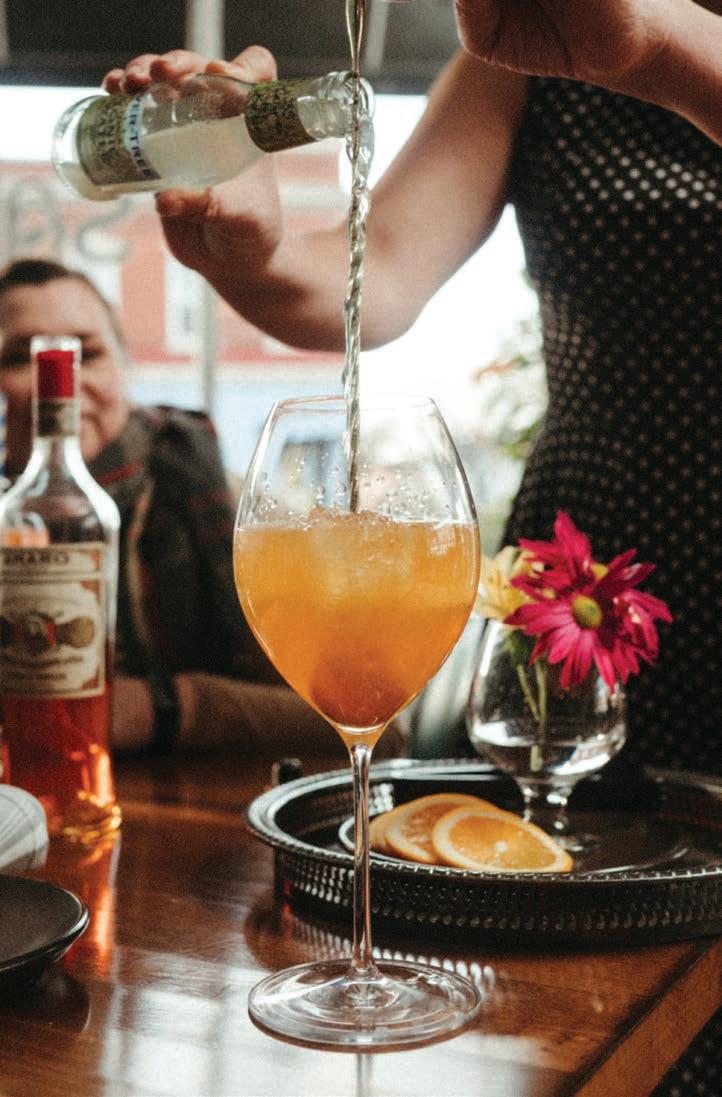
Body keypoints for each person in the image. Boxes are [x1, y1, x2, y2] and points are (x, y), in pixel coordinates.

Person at [104, 4, 721, 1087]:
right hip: (590, 594)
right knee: (578, 1004)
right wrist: (252, 247)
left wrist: (658, 47)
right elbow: (373, 274)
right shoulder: (536, 32)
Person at [0, 258, 352, 760]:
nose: (63, 381)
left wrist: (163, 708)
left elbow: (369, 719)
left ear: (124, 368)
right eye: (22, 358)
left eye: (88, 354)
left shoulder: (224, 500)